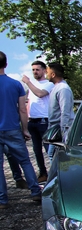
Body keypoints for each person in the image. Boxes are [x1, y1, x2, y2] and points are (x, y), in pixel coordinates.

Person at [0, 51, 42, 208]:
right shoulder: (16, 84)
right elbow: (23, 110)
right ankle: (35, 192)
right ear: (6, 64)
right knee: (25, 161)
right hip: (12, 128)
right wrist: (25, 129)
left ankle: (2, 200)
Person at [22, 60, 54, 182]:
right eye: (33, 70)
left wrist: (28, 82)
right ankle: (43, 173)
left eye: (37, 69)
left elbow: (40, 94)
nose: (35, 72)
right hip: (32, 121)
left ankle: (54, 173)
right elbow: (28, 103)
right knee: (36, 150)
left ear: (44, 70)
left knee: (49, 149)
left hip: (44, 121)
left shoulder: (49, 84)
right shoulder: (31, 86)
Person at [46, 62, 75, 159]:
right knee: (53, 155)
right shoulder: (56, 88)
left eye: (47, 72)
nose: (46, 74)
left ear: (53, 74)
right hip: (55, 128)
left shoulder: (63, 89)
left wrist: (63, 132)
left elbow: (65, 111)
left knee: (54, 156)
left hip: (60, 129)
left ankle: (57, 174)